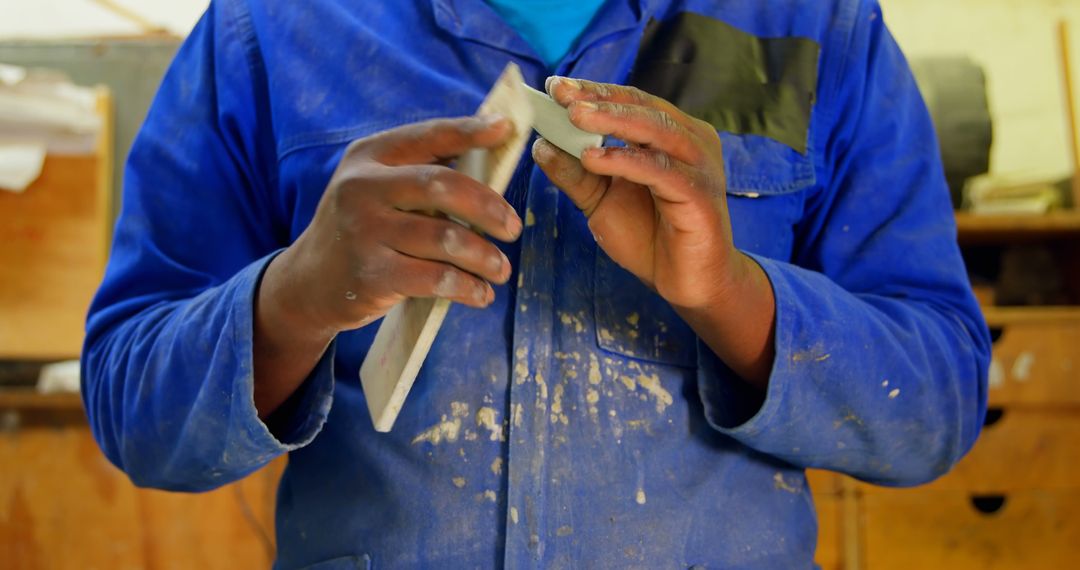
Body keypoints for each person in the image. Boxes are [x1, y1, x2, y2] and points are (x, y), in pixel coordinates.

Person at [82, 0, 991, 567]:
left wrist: (728, 292)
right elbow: (135, 414)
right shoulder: (269, 30)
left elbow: (938, 404)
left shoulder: (819, 26)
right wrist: (294, 297)